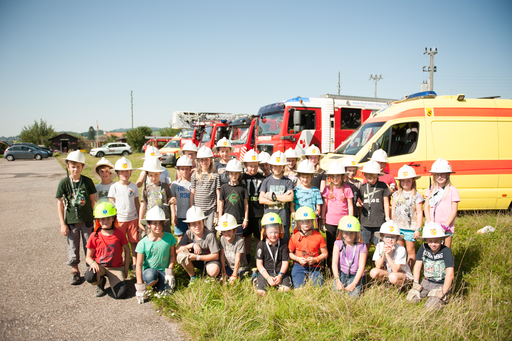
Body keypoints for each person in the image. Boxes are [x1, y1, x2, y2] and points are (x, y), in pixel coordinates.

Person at [56, 150, 97, 285]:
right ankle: (75, 271)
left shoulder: (87, 182)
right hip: (71, 222)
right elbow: (60, 204)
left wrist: (94, 218)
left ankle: (90, 269)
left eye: (78, 166)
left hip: (87, 220)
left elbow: (92, 201)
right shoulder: (63, 183)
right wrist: (62, 223)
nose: (75, 169)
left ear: (82, 167)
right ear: (68, 167)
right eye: (72, 166)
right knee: (73, 246)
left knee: (88, 245)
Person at [85, 202, 129, 298]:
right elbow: (88, 257)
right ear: (98, 220)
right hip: (100, 267)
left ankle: (113, 281)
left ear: (113, 218)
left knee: (121, 294)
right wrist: (92, 263)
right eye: (102, 219)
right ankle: (100, 282)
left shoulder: (120, 233)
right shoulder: (94, 235)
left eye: (108, 218)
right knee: (89, 276)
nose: (105, 221)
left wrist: (125, 269)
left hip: (116, 268)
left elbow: (127, 250)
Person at [407, 222, 454, 309]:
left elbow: (450, 274)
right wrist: (416, 283)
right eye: (430, 241)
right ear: (426, 240)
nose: (433, 244)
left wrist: (443, 291)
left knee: (430, 306)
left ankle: (441, 299)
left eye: (436, 241)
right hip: (426, 281)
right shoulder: (423, 247)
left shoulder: (446, 251)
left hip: (440, 283)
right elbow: (417, 266)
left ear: (441, 239)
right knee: (411, 299)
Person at [135, 207, 177, 303]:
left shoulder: (169, 238)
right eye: (154, 223)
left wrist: (170, 272)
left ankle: (160, 284)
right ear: (148, 225)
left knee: (169, 293)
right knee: (151, 275)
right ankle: (152, 283)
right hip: (149, 271)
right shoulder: (143, 243)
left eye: (160, 223)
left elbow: (172, 256)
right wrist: (139, 285)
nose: (158, 226)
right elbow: (139, 264)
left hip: (164, 271)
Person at [108, 157, 140, 270]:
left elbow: (137, 203)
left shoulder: (133, 186)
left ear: (130, 172)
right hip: (120, 220)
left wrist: (139, 218)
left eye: (126, 171)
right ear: (117, 173)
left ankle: (135, 263)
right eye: (121, 171)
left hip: (133, 219)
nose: (124, 174)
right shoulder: (114, 187)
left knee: (134, 242)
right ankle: (119, 262)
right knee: (119, 242)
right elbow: (111, 201)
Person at [176, 206, 221, 284]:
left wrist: (197, 257)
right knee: (181, 256)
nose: (197, 226)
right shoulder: (189, 233)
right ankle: (192, 276)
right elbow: (177, 250)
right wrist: (192, 245)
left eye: (199, 222)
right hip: (195, 260)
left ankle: (210, 273)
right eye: (193, 224)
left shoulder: (209, 235)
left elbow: (216, 255)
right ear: (189, 225)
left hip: (209, 260)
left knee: (213, 271)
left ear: (203, 222)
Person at [392, 165, 424, 269]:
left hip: (411, 228)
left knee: (410, 251)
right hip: (398, 227)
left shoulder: (417, 196)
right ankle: (401, 271)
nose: (405, 183)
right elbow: (393, 209)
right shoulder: (396, 195)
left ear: (413, 181)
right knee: (400, 250)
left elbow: (419, 213)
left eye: (408, 181)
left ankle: (410, 271)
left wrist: (418, 228)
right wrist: (392, 224)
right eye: (403, 181)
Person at [259, 151, 294, 243]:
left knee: (283, 240)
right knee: (269, 241)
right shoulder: (266, 181)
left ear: (283, 167)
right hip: (269, 217)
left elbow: (290, 198)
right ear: (271, 166)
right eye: (275, 165)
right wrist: (279, 200)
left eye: (280, 166)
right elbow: (261, 199)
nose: (277, 168)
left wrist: (271, 196)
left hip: (283, 218)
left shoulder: (288, 182)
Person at [322, 161, 354, 264]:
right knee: (331, 244)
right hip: (330, 221)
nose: (335, 179)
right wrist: (323, 219)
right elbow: (324, 205)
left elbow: (350, 205)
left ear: (342, 176)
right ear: (330, 177)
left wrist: (351, 220)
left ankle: (342, 265)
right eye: (333, 176)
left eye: (338, 176)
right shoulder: (327, 189)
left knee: (342, 244)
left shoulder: (347, 188)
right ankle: (329, 266)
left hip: (343, 223)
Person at [424, 158, 459, 248]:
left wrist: (445, 226)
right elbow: (426, 207)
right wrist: (429, 223)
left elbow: (454, 211)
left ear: (447, 175)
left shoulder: (452, 190)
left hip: (446, 228)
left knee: (446, 251)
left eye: (442, 174)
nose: (440, 177)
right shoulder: (430, 188)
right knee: (432, 251)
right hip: (432, 226)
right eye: (437, 174)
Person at [288, 207, 328, 288]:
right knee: (299, 289)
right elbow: (290, 253)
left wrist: (316, 259)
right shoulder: (295, 236)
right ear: (298, 223)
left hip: (314, 266)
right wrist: (298, 259)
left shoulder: (318, 236)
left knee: (317, 288)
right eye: (302, 221)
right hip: (299, 266)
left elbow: (325, 253)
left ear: (312, 222)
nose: (305, 224)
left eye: (308, 221)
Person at [254, 213, 292, 296]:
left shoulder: (283, 244)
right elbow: (259, 264)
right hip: (265, 273)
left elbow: (285, 262)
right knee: (261, 293)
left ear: (280, 230)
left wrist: (280, 275)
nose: (273, 235)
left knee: (285, 290)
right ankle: (256, 278)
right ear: (264, 231)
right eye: (270, 232)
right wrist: (267, 277)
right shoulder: (261, 244)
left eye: (276, 232)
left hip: (280, 272)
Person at [358, 159, 391, 249]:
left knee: (379, 245)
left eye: (374, 177)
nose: (371, 180)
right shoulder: (363, 187)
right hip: (365, 222)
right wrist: (359, 204)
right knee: (364, 245)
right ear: (365, 175)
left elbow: (386, 202)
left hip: (379, 221)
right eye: (369, 178)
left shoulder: (383, 186)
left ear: (378, 175)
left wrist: (387, 218)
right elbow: (359, 201)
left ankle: (379, 262)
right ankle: (363, 262)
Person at [332, 216, 367, 298]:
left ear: (356, 233)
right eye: (346, 232)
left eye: (352, 232)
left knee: (353, 296)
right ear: (341, 233)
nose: (349, 235)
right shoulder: (338, 244)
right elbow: (334, 263)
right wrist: (337, 280)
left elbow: (362, 267)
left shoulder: (361, 246)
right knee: (336, 293)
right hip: (343, 273)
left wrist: (354, 283)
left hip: (356, 275)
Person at [370, 221, 413, 285]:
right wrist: (384, 253)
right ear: (382, 237)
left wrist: (387, 255)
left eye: (393, 237)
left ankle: (404, 286)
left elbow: (395, 270)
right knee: (373, 272)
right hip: (388, 272)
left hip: (400, 273)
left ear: (397, 238)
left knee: (393, 277)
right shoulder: (380, 245)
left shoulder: (401, 249)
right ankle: (386, 284)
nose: (390, 240)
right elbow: (378, 266)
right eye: (387, 237)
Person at [241, 150, 265, 263]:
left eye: (255, 166)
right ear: (245, 165)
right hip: (246, 212)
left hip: (259, 212)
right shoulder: (242, 178)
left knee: (258, 236)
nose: (253, 168)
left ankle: (259, 256)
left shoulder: (262, 178)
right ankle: (247, 256)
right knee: (246, 236)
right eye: (250, 166)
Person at [138, 156, 173, 234]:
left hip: (164, 219)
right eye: (151, 175)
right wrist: (140, 221)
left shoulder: (165, 186)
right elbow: (143, 205)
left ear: (160, 173)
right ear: (147, 175)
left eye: (156, 174)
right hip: (151, 220)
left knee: (166, 238)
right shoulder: (146, 188)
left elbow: (171, 200)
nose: (154, 177)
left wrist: (173, 216)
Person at [190, 146, 220, 231]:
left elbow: (218, 195)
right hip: (198, 210)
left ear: (211, 160)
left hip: (210, 210)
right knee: (198, 231)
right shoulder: (195, 175)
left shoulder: (215, 176)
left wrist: (217, 212)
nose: (204, 162)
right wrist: (192, 208)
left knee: (210, 231)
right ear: (198, 161)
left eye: (206, 159)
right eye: (202, 160)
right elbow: (192, 193)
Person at [218, 159, 249, 236]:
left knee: (239, 240)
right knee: (226, 239)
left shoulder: (243, 187)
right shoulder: (224, 187)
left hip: (239, 220)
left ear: (239, 173)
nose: (234, 176)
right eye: (231, 173)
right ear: (228, 173)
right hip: (226, 219)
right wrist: (220, 218)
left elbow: (246, 204)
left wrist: (246, 219)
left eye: (236, 173)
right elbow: (221, 203)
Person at [217, 213, 248, 284]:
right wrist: (224, 272)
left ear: (235, 230)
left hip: (240, 268)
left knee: (233, 282)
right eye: (224, 231)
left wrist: (234, 275)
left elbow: (238, 259)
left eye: (229, 231)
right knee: (221, 279)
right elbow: (222, 256)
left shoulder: (240, 241)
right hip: (229, 267)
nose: (226, 234)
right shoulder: (222, 239)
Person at [170, 156, 193, 243]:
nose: (185, 171)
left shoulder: (193, 183)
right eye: (182, 169)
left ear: (190, 169)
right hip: (179, 215)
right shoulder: (175, 184)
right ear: (178, 170)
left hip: (190, 216)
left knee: (191, 237)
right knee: (180, 236)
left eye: (187, 168)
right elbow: (172, 202)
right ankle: (180, 254)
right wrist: (173, 216)